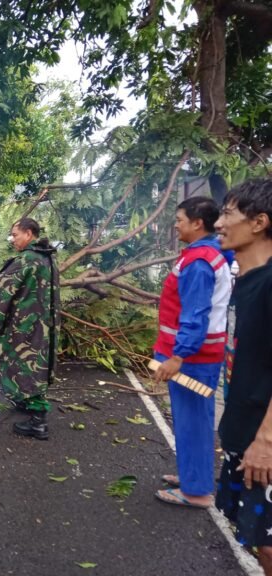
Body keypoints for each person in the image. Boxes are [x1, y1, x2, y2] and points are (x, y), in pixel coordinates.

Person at [153, 196, 231, 509]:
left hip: (193, 360)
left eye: (180, 219)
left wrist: (177, 356)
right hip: (197, 357)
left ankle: (197, 491)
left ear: (198, 223)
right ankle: (192, 476)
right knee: (190, 418)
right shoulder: (207, 254)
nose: (176, 224)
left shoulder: (199, 262)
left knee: (194, 420)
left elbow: (194, 315)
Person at [213, 179, 272, 575]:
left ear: (258, 222)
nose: (218, 223)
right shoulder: (246, 283)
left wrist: (267, 440)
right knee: (256, 539)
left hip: (263, 443)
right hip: (243, 433)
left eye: (228, 214)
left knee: (268, 544)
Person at [0, 218, 60, 440]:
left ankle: (39, 420)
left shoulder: (29, 258)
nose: (13, 239)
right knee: (36, 363)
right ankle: (26, 403)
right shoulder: (47, 257)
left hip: (27, 325)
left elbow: (3, 284)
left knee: (26, 364)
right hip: (43, 323)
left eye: (16, 234)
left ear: (29, 234)